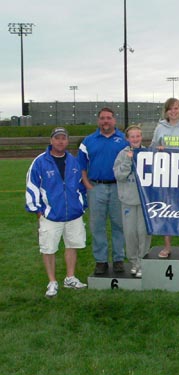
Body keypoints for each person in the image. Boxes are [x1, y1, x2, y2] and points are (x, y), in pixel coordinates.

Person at [25, 127, 87, 297]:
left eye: (64, 138)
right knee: (49, 248)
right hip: (51, 215)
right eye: (57, 138)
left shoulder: (74, 161)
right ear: (51, 140)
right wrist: (38, 210)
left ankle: (70, 277)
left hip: (73, 214)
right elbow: (32, 186)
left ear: (67, 141)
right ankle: (52, 281)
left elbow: (81, 185)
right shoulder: (40, 162)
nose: (60, 141)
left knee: (72, 245)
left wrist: (82, 205)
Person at [78, 107, 128, 275]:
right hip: (96, 187)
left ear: (114, 120)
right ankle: (101, 261)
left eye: (108, 118)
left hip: (118, 187)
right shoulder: (88, 141)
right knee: (97, 225)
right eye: (102, 118)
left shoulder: (123, 139)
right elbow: (81, 165)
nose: (105, 121)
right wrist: (87, 183)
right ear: (98, 121)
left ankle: (119, 258)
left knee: (118, 224)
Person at [151, 98, 179, 259]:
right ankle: (167, 246)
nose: (174, 111)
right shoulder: (159, 128)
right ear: (166, 111)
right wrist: (158, 150)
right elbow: (152, 149)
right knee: (167, 210)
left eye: (176, 108)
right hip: (166, 176)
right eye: (170, 109)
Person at [113, 125, 152, 277]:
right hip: (128, 200)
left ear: (141, 137)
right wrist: (128, 161)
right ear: (127, 139)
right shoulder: (122, 154)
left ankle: (143, 262)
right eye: (132, 137)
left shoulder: (147, 153)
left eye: (138, 136)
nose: (135, 139)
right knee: (130, 233)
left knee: (143, 233)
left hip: (144, 200)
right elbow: (119, 175)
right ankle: (134, 262)